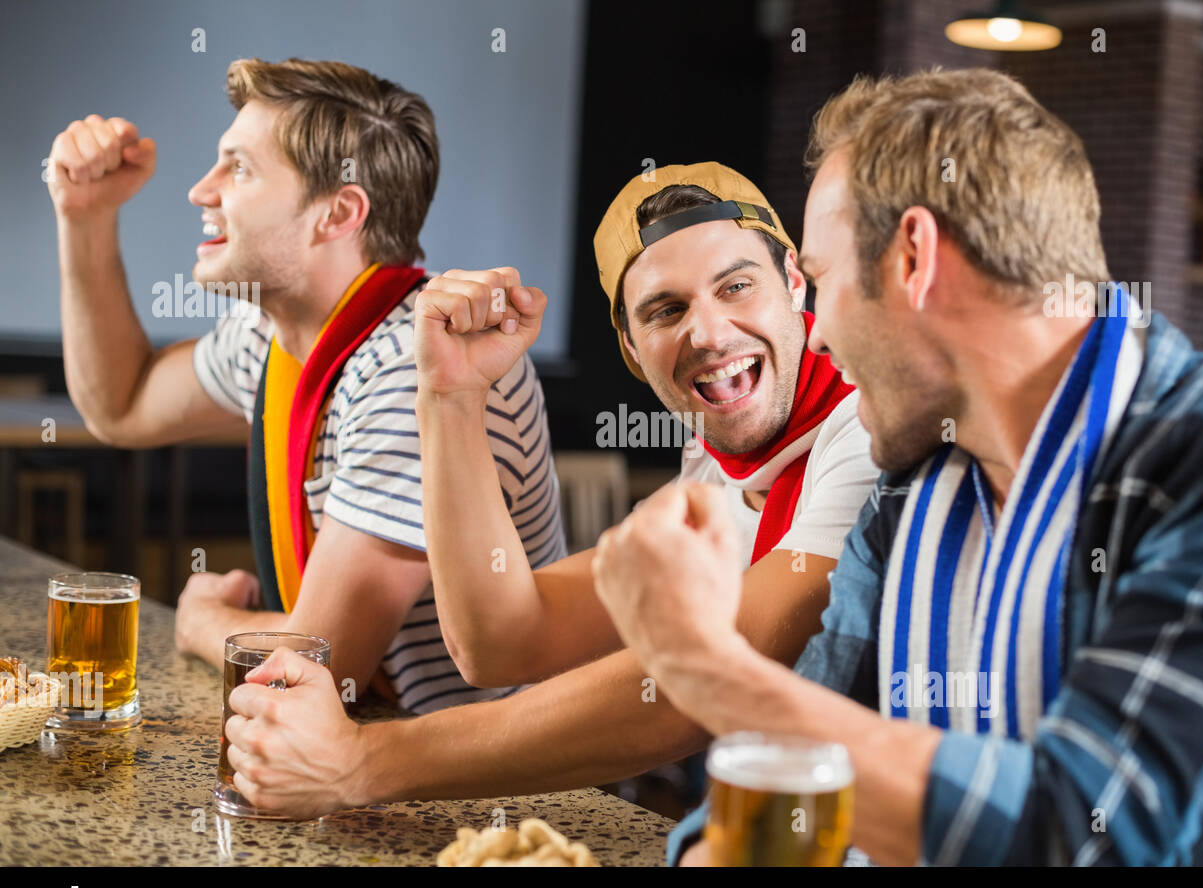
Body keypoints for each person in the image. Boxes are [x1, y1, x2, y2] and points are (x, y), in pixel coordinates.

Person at [592, 68, 1203, 866]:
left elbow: (1081, 832)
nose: (815, 335)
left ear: (913, 259)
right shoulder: (912, 483)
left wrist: (698, 665)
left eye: (819, 284)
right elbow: (790, 782)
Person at [219, 164, 880, 817]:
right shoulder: (710, 470)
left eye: (736, 286)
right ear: (631, 346)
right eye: (666, 309)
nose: (707, 333)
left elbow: (706, 678)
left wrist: (362, 762)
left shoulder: (863, 432)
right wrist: (451, 395)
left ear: (795, 282)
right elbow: (501, 640)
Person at [46, 57, 563, 713]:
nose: (201, 192)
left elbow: (318, 662)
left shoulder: (420, 361)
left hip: (486, 790)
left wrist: (203, 620)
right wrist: (85, 218)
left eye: (238, 168)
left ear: (338, 212)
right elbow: (121, 404)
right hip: (374, 746)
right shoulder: (269, 333)